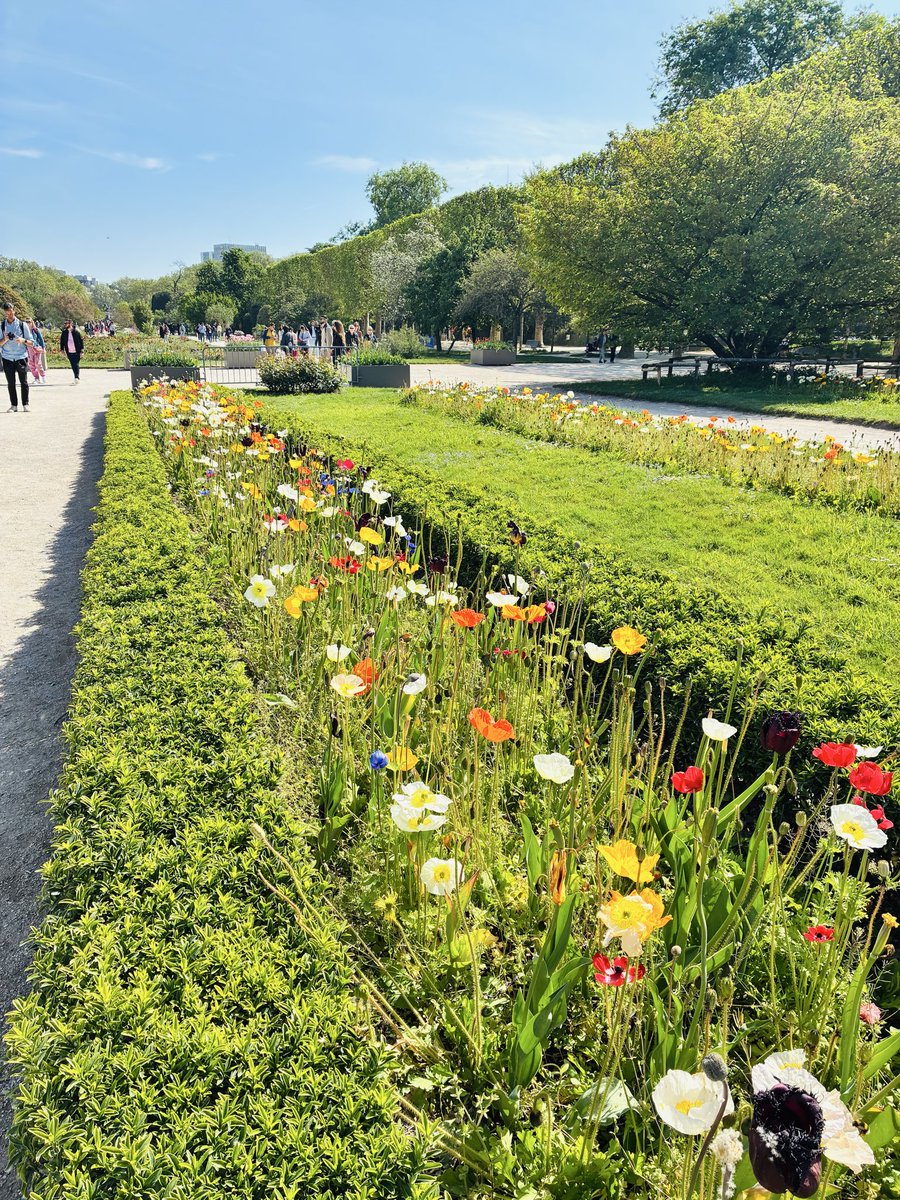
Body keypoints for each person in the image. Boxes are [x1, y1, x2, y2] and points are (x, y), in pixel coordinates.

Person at [1, 302, 34, 411]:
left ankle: (25, 404)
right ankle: (14, 405)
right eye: (7, 313)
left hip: (21, 357)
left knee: (23, 382)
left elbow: (31, 343)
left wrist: (22, 340)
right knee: (11, 383)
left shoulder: (22, 324)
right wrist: (5, 339)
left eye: (10, 312)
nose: (9, 314)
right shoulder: (2, 326)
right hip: (7, 357)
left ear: (13, 310)